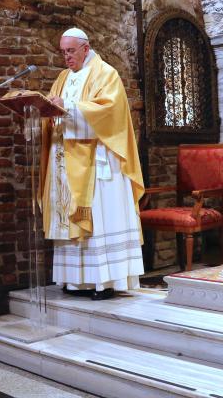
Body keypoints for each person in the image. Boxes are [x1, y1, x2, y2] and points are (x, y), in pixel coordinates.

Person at [41, 28, 145, 300]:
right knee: (69, 214)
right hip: (66, 158)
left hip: (98, 160)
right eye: (63, 52)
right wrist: (45, 111)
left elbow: (109, 113)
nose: (66, 57)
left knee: (100, 219)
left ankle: (104, 281)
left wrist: (68, 107)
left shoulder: (106, 74)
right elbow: (55, 109)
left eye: (71, 51)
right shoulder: (62, 78)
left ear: (85, 48)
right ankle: (74, 281)